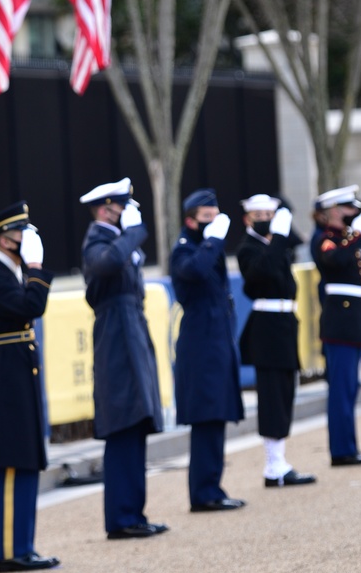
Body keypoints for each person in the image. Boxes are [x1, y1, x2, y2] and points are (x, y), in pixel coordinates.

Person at [0, 201, 59, 571]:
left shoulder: (9, 272)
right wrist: (37, 268)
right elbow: (32, 307)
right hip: (4, 375)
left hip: (16, 369)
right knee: (11, 460)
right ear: (4, 239)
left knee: (25, 457)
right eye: (21, 233)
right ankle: (8, 551)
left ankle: (22, 545)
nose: (26, 239)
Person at [80, 179, 167, 539]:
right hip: (115, 337)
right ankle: (120, 517)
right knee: (122, 424)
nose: (127, 214)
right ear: (106, 209)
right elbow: (107, 264)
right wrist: (131, 235)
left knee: (137, 422)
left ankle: (134, 512)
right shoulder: (97, 241)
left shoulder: (117, 240)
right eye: (121, 207)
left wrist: (130, 238)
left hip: (131, 330)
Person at [169, 189, 246, 512]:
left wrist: (213, 241)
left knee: (217, 417)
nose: (213, 225)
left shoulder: (206, 248)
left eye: (216, 218)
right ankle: (203, 492)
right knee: (205, 419)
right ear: (190, 220)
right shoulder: (185, 250)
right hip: (200, 347)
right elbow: (194, 272)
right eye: (206, 219)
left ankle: (213, 486)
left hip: (217, 342)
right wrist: (212, 240)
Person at [236, 194, 315, 488]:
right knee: (271, 396)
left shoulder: (277, 243)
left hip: (284, 325)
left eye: (271, 214)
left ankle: (280, 460)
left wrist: (285, 224)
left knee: (284, 394)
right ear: (248, 219)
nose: (267, 219)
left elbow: (296, 241)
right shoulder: (248, 248)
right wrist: (278, 234)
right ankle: (273, 465)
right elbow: (263, 271)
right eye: (259, 215)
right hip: (266, 328)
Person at [312, 186, 361, 466]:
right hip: (340, 320)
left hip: (352, 320)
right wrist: (356, 236)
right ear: (334, 211)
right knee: (341, 388)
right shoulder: (325, 239)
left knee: (350, 387)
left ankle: (349, 447)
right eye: (348, 208)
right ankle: (341, 450)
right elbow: (334, 260)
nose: (354, 213)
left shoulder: (343, 238)